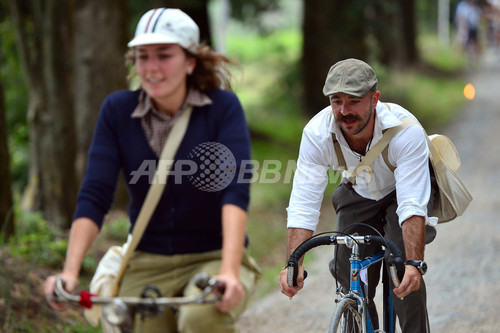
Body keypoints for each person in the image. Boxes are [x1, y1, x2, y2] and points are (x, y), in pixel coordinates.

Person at [44, 8, 261, 333]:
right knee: (125, 325)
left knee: (200, 318)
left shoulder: (222, 108)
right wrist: (70, 272)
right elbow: (95, 195)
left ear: (190, 61)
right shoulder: (117, 111)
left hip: (213, 255)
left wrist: (229, 271)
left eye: (164, 55)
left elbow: (235, 190)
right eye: (142, 56)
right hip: (147, 259)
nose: (151, 67)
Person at [279, 58, 437, 332]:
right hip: (357, 192)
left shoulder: (405, 131)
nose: (344, 110)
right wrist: (294, 263)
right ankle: (362, 322)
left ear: (374, 99)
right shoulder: (317, 134)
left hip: (400, 193)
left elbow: (412, 203)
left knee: (402, 272)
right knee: (346, 271)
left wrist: (413, 263)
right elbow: (304, 202)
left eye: (353, 101)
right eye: (336, 101)